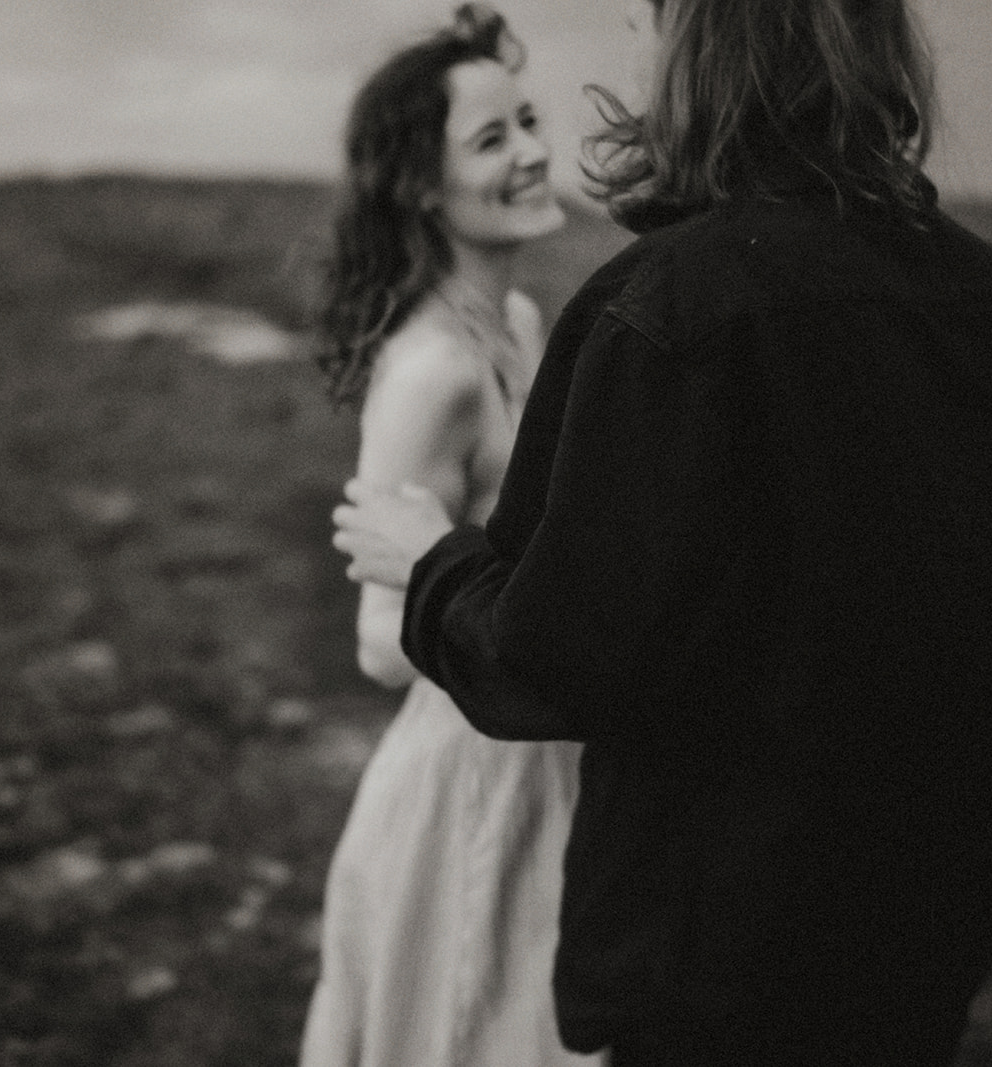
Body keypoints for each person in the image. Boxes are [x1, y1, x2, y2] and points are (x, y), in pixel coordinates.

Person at [330, 0, 992, 1063]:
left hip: (719, 954)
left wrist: (430, 566)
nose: (636, 50)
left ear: (710, 52)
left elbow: (564, 656)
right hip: (923, 917)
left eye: (652, 21)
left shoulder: (667, 313)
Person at [298, 6, 606, 1066]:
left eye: (528, 120)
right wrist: (487, 596)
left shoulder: (515, 327)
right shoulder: (431, 373)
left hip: (543, 737)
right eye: (491, 139)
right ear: (423, 189)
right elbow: (380, 641)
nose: (531, 153)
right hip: (473, 772)